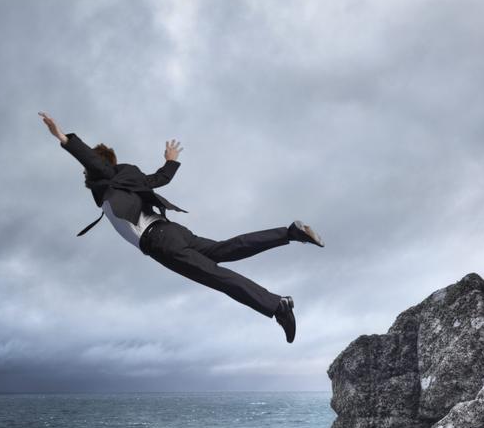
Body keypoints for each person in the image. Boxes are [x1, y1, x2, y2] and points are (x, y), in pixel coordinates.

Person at [38, 112, 324, 343]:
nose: (86, 173)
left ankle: (277, 305)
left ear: (97, 165)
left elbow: (92, 162)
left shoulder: (106, 179)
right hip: (172, 231)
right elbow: (159, 180)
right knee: (225, 250)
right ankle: (290, 232)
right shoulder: (126, 177)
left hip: (160, 242)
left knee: (217, 277)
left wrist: (63, 138)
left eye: (88, 168)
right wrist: (170, 162)